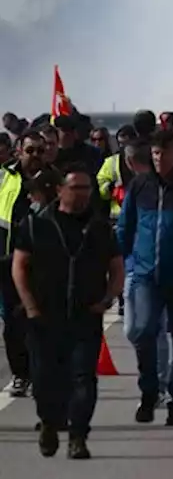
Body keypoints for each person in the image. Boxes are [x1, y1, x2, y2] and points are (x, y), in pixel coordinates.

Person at [13, 165, 125, 459]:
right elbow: (19, 266)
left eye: (87, 188)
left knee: (83, 378)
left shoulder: (99, 227)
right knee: (45, 378)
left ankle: (78, 437)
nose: (83, 194)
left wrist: (108, 298)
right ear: (60, 190)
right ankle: (50, 424)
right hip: (43, 317)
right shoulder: (37, 225)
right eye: (76, 188)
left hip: (85, 315)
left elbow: (116, 267)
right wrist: (30, 305)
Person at [116, 129, 173, 426]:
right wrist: (121, 263)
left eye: (164, 152)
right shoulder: (140, 185)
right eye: (155, 153)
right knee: (142, 331)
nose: (159, 158)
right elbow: (125, 228)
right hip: (144, 274)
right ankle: (149, 390)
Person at [0, 131, 53, 397]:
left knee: (41, 322)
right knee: (13, 323)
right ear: (18, 151)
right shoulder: (4, 176)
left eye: (40, 151)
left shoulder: (55, 180)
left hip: (44, 263)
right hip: (8, 261)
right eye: (30, 150)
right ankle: (21, 374)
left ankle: (41, 375)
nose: (35, 156)